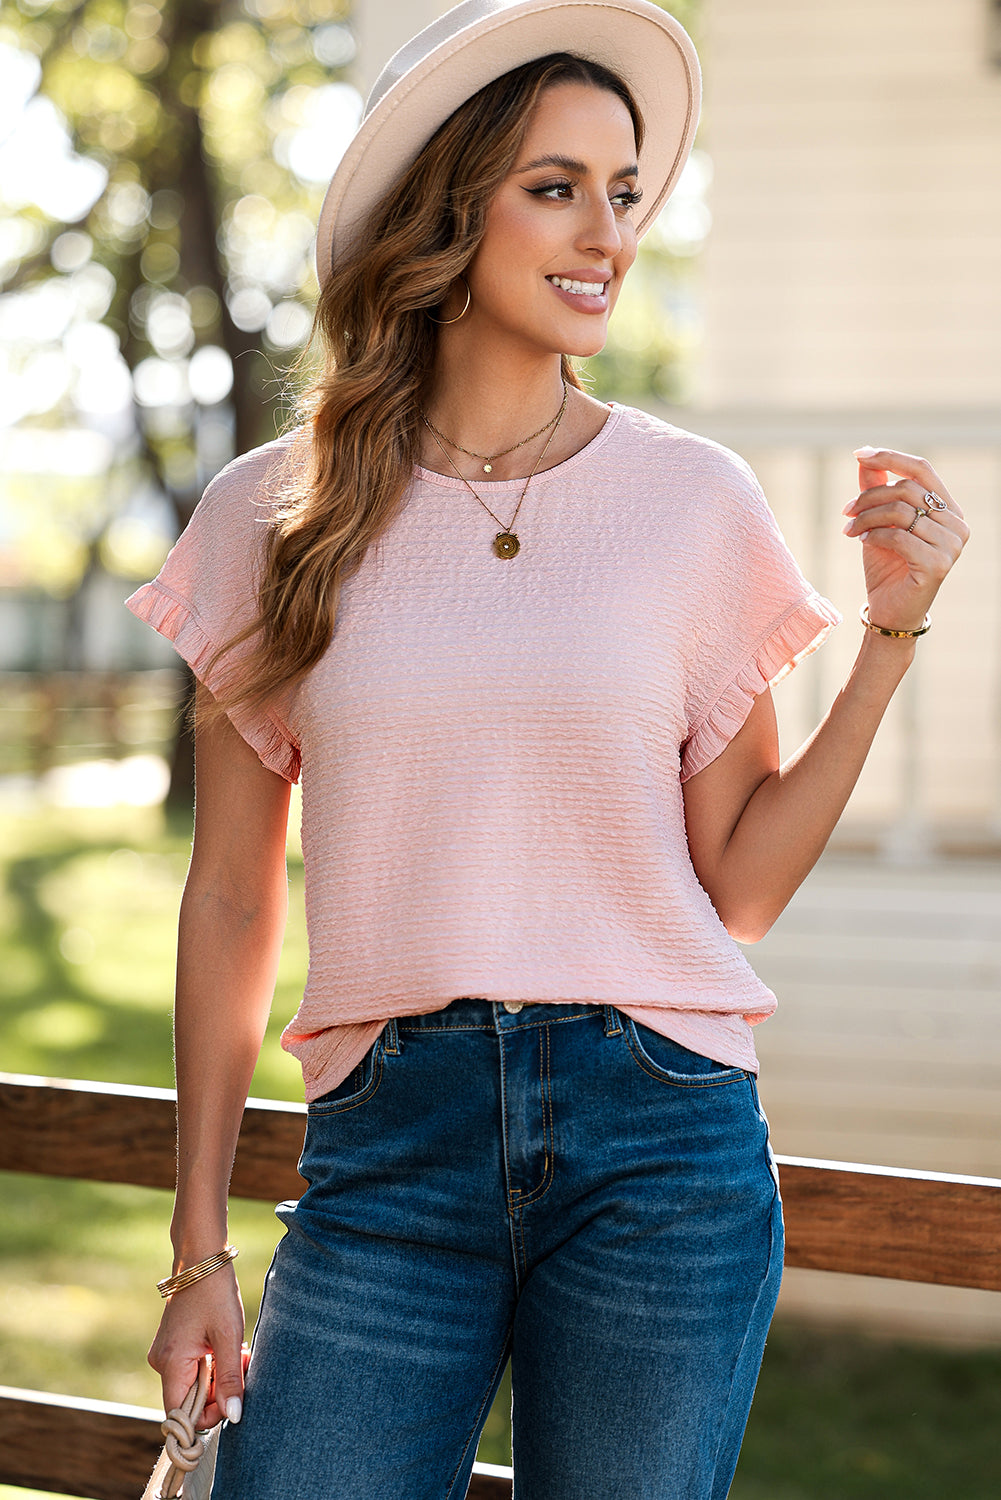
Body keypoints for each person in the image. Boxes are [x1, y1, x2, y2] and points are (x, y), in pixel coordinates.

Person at [128, 2, 968, 1496]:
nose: (607, 233)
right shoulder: (274, 518)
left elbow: (739, 892)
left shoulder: (690, 505)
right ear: (445, 215)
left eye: (626, 190)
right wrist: (196, 1246)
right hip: (388, 1153)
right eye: (555, 186)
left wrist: (886, 641)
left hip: (661, 1142)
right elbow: (235, 900)